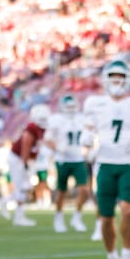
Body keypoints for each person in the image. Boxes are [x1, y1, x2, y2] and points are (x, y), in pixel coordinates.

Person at [83, 59, 130, 259]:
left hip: (128, 165)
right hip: (105, 166)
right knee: (106, 217)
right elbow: (86, 137)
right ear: (106, 80)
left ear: (127, 80)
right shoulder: (96, 104)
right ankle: (111, 257)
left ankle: (127, 254)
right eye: (113, 77)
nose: (117, 81)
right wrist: (88, 149)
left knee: (129, 211)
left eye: (120, 77)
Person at [44, 94, 89, 233]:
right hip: (62, 159)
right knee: (61, 191)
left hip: (78, 158)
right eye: (68, 106)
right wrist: (57, 148)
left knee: (84, 190)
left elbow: (89, 136)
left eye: (72, 106)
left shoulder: (82, 119)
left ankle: (77, 217)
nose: (71, 109)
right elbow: (47, 139)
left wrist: (88, 147)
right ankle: (58, 217)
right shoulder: (56, 120)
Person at [5, 103, 51, 226]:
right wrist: (25, 164)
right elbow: (26, 146)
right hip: (18, 159)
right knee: (22, 187)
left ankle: (5, 202)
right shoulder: (31, 129)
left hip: (21, 159)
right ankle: (18, 217)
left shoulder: (39, 129)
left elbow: (34, 148)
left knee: (23, 187)